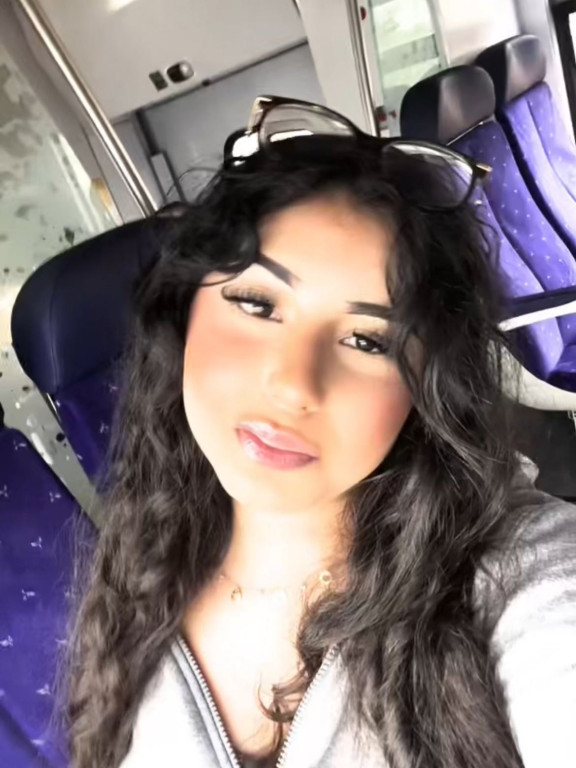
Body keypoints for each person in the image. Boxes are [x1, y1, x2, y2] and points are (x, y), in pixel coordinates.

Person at [54, 96, 576, 768]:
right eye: (257, 303)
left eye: (367, 340)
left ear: (425, 388)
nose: (295, 384)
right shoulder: (137, 567)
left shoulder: (516, 579)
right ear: (183, 316)